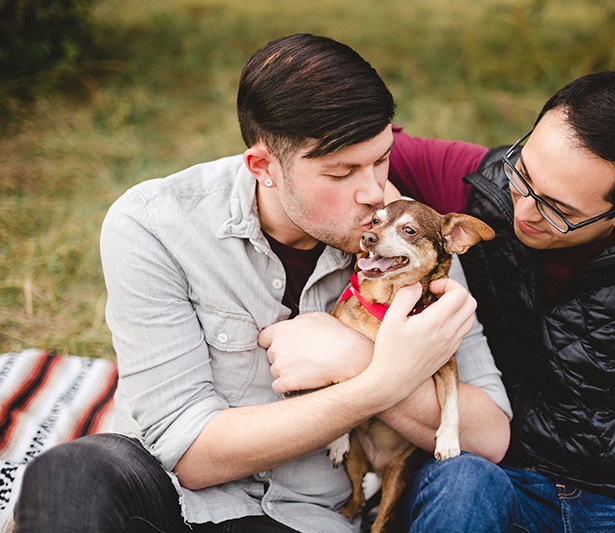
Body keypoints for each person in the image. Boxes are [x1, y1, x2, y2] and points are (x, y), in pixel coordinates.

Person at [13, 34, 513, 533]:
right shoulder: (154, 225)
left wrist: (350, 357)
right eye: (341, 173)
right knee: (68, 475)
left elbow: (489, 435)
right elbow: (191, 452)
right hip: (169, 497)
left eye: (381, 159)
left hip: (306, 519)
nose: (374, 192)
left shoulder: (410, 245)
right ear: (262, 167)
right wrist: (378, 382)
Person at [384, 71, 615, 531]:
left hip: (599, 499)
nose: (524, 211)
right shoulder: (475, 186)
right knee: (463, 487)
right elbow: (366, 142)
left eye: (559, 209)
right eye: (523, 174)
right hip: (473, 474)